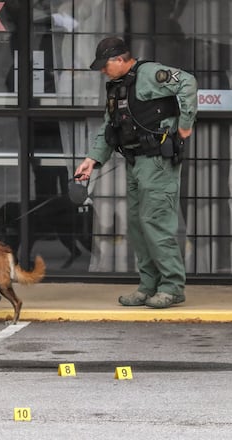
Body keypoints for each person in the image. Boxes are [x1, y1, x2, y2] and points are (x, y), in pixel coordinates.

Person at [74, 37, 198, 309]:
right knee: (138, 226)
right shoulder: (118, 87)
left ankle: (172, 286)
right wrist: (92, 160)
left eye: (105, 66)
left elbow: (188, 82)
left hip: (157, 162)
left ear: (119, 59)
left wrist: (185, 124)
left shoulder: (150, 73)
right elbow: (110, 126)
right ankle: (148, 286)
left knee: (155, 222)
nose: (102, 72)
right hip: (134, 161)